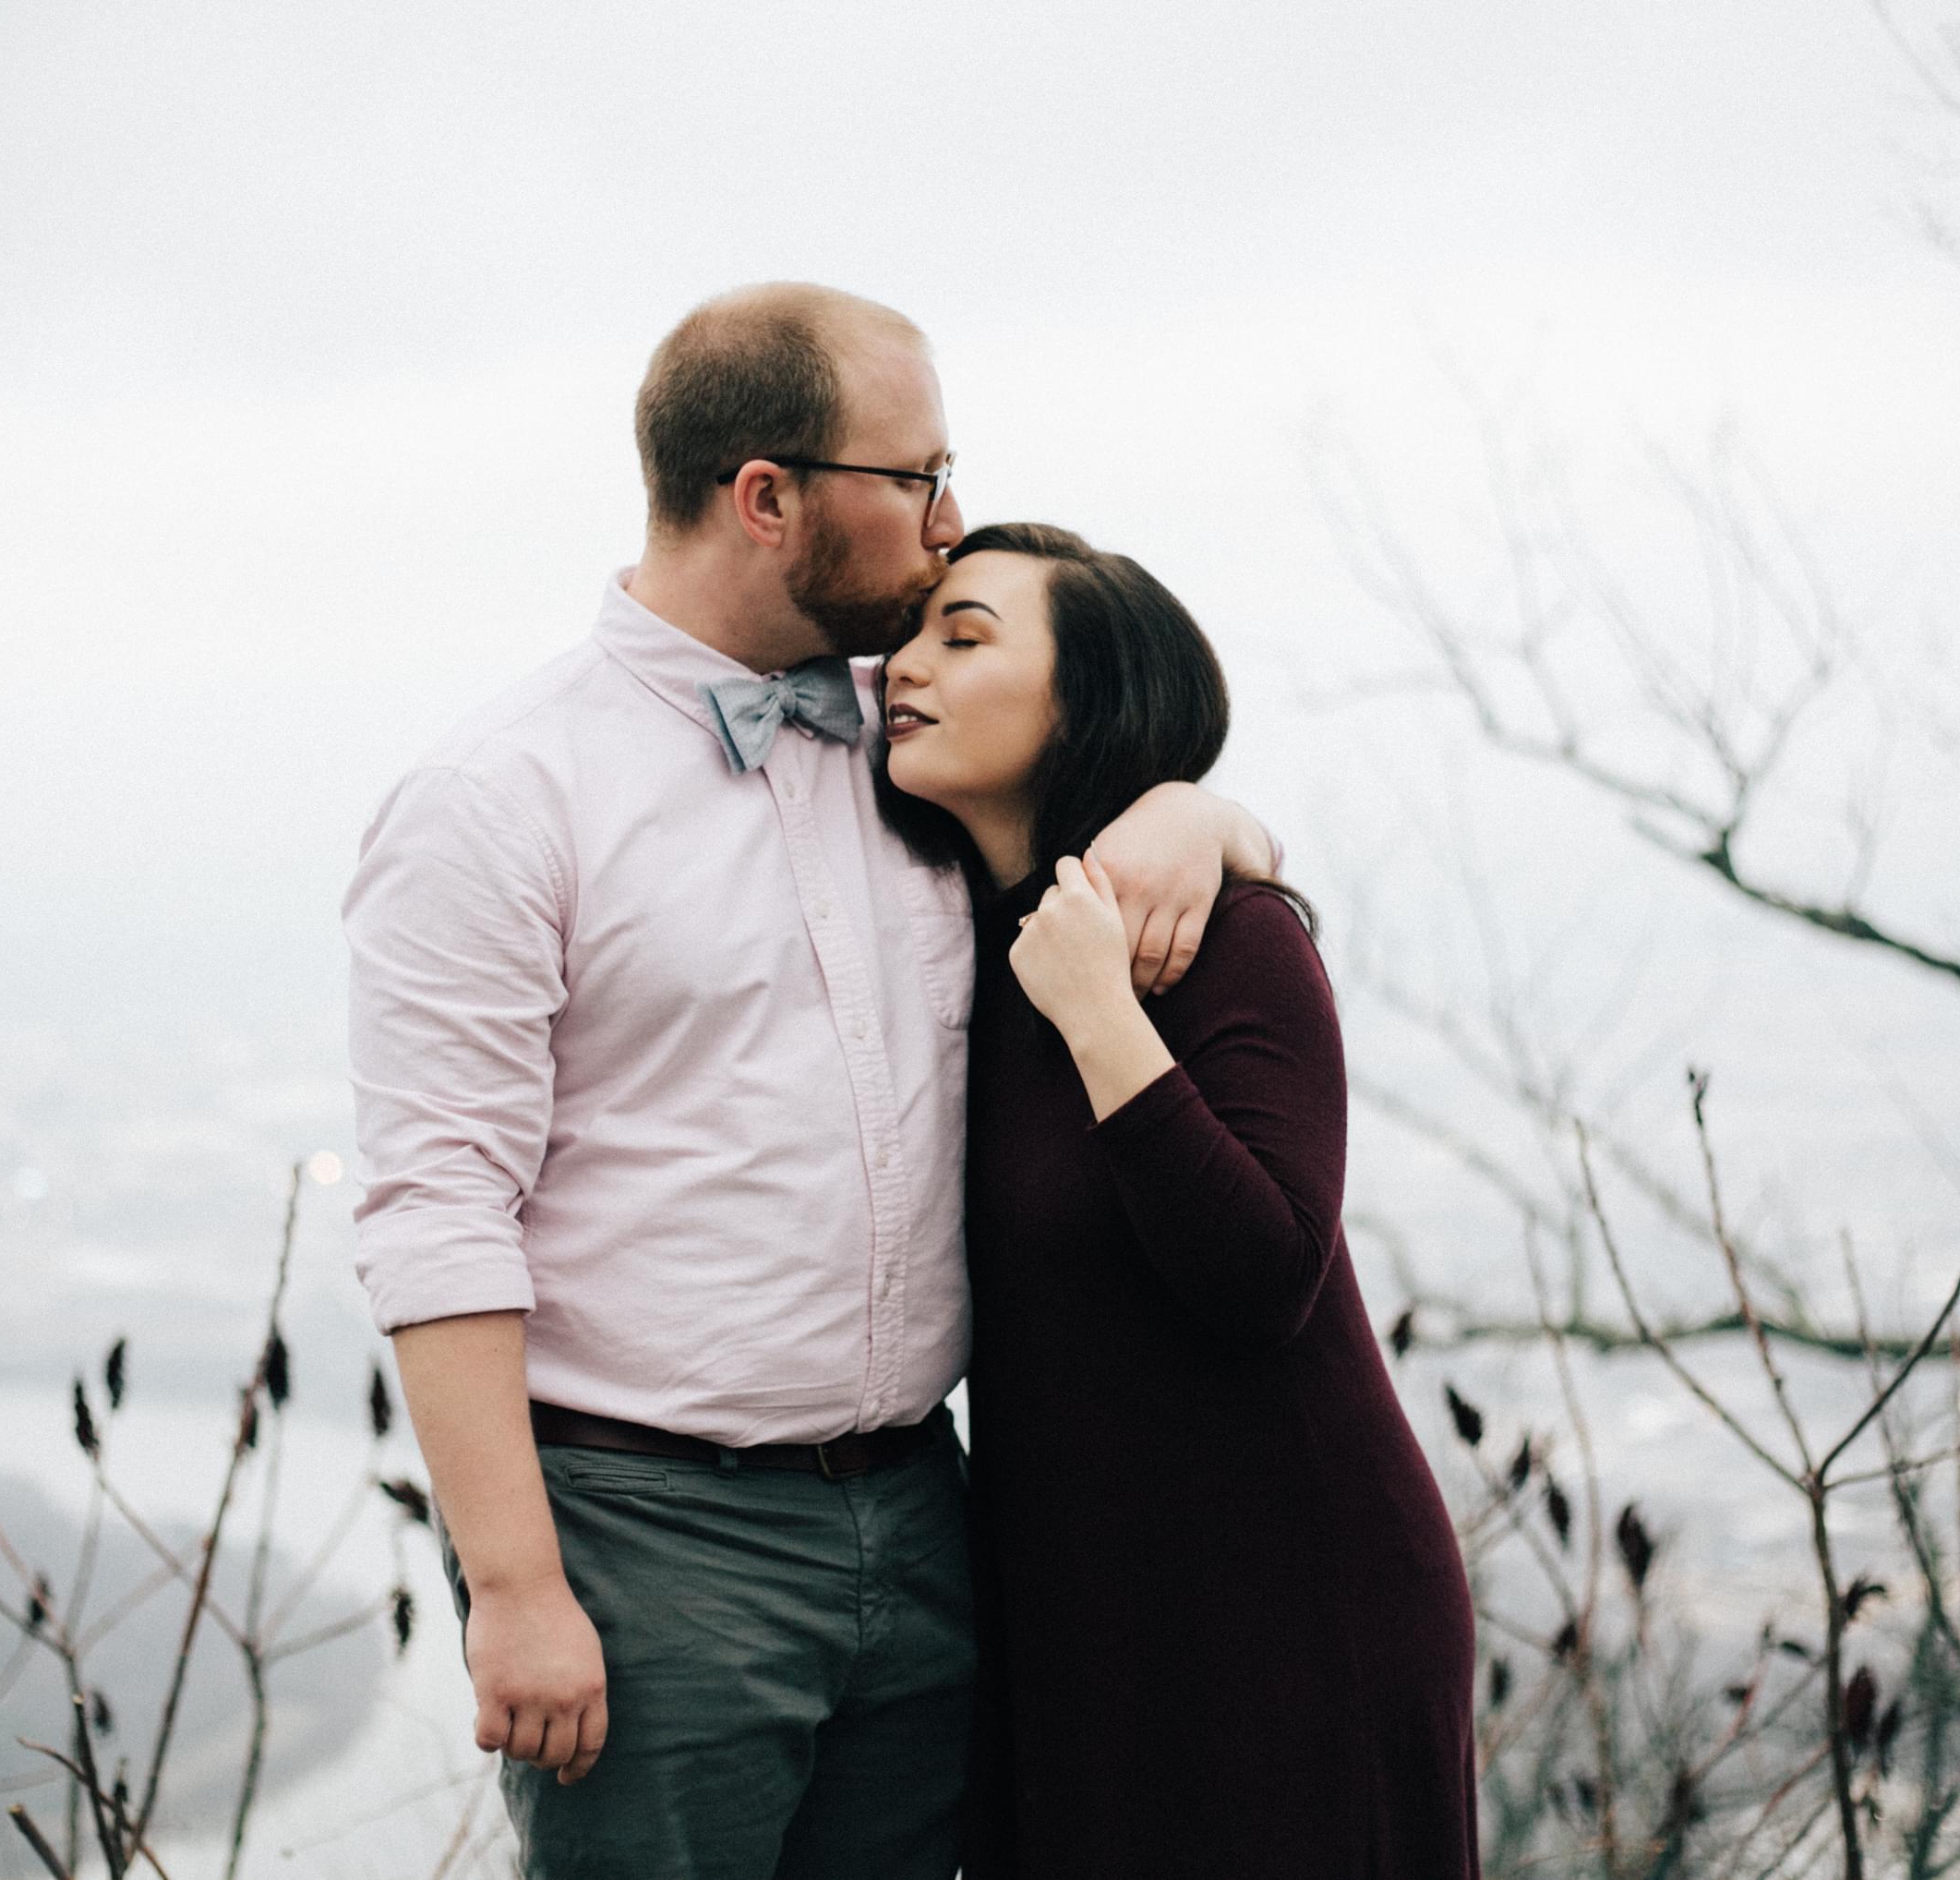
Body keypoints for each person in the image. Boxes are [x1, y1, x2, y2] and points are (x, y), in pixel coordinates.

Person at [340, 287, 1279, 1880]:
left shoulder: (914, 740)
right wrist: (513, 1586)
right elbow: (438, 1208)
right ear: (766, 497)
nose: (950, 522)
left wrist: (1201, 812)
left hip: (930, 1517)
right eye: (914, 479)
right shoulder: (498, 798)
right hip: (648, 1545)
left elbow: (1130, 780)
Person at [876, 523, 1481, 1877]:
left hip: (1291, 1600)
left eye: (961, 638)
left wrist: (1099, 1010)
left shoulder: (1224, 943)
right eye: (908, 636)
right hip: (1080, 1618)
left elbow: (1264, 1271)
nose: (901, 668)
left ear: (1085, 702)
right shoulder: (942, 948)